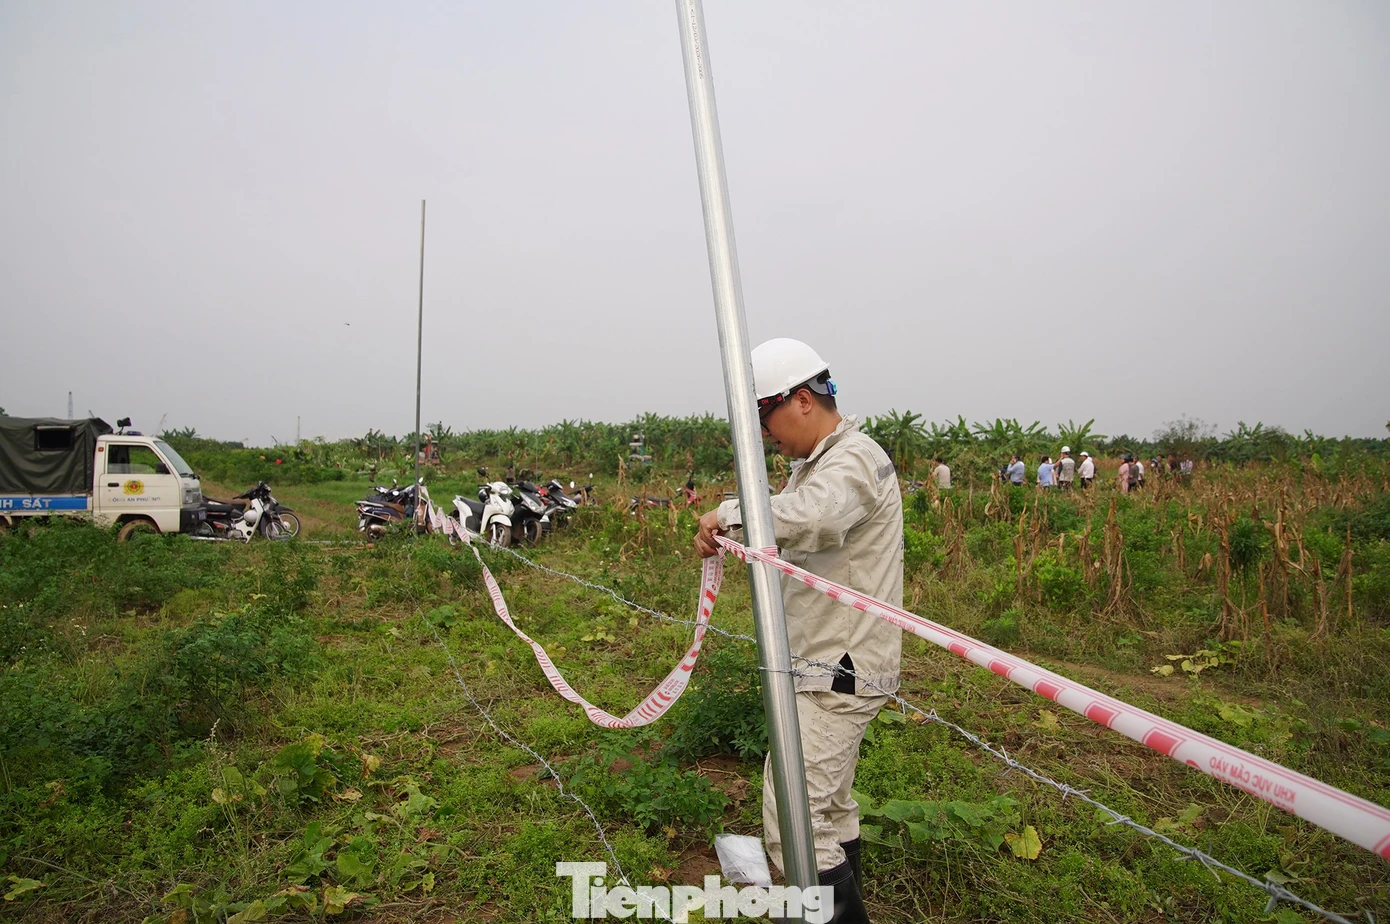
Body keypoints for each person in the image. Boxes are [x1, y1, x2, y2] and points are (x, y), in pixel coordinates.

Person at [695, 338, 900, 923]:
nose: (765, 432)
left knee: (794, 821)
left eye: (765, 414)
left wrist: (733, 512)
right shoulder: (820, 463)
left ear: (802, 400)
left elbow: (819, 514)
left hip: (839, 666)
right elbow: (799, 521)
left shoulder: (853, 459)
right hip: (826, 661)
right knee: (828, 811)